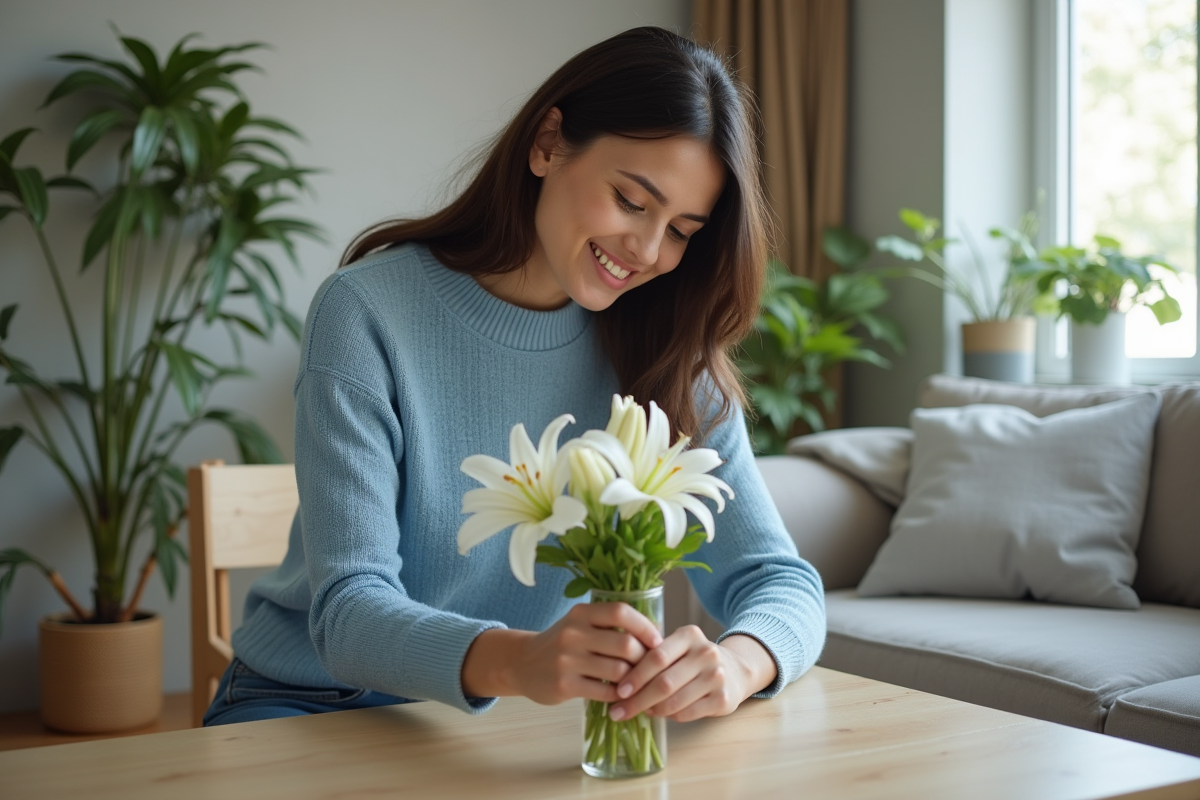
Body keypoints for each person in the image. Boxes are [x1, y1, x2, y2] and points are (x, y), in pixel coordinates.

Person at [203, 26, 825, 728]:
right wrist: (522, 662)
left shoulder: (669, 348)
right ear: (548, 143)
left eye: (682, 230)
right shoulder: (366, 312)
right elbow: (347, 613)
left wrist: (739, 663)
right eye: (631, 200)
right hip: (311, 704)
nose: (649, 250)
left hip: (506, 723)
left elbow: (781, 582)